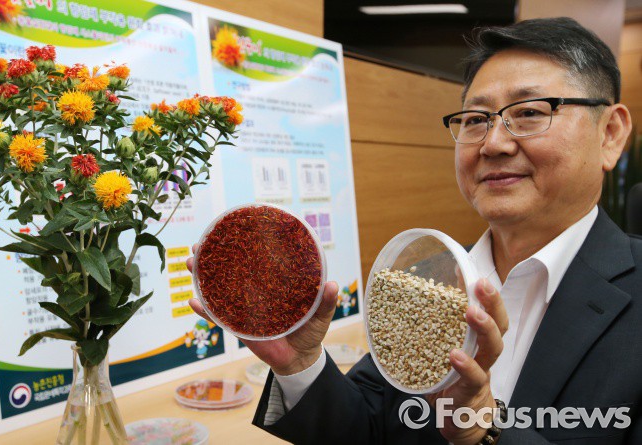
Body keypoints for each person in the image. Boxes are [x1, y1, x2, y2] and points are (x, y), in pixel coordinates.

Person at [187, 17, 641, 444]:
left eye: (529, 112)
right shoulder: (423, 280)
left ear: (610, 133)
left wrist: (481, 430)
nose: (494, 143)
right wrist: (300, 364)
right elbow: (371, 427)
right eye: (475, 119)